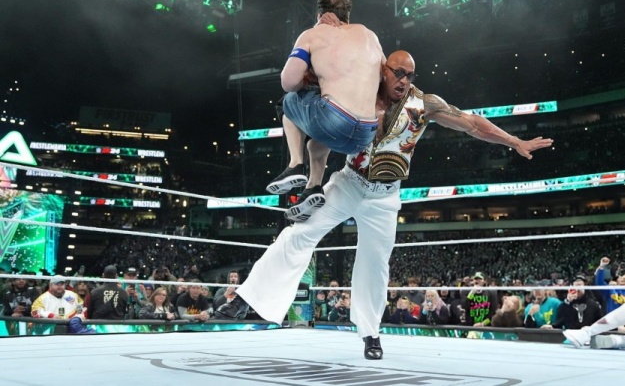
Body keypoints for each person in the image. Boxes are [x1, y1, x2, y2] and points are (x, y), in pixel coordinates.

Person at [218, 48, 553, 360]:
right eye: (398, 73)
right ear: (383, 70)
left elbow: (472, 123)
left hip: (385, 196)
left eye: (410, 74)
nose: (404, 80)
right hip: (349, 182)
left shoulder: (424, 104)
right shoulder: (357, 94)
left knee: (375, 263)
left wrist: (513, 140)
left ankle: (370, 333)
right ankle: (247, 298)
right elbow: (319, 119)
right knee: (300, 232)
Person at [266, 0, 384, 219]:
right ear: (347, 16)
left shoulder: (312, 34)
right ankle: (313, 187)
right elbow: (382, 76)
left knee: (288, 102)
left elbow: (288, 83)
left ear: (320, 15)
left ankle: (295, 164)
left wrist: (312, 72)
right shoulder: (370, 35)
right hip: (365, 134)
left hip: (335, 120)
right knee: (315, 144)